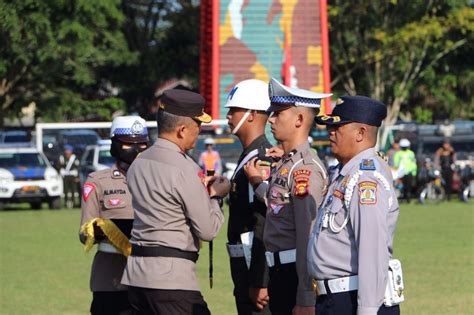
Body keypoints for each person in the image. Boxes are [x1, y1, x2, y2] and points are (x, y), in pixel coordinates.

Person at [121, 89, 231, 314]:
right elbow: (207, 230)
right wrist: (216, 197)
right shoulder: (185, 168)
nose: (199, 132)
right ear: (182, 130)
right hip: (172, 280)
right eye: (197, 126)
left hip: (136, 276)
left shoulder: (138, 163)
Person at [307, 95, 401, 315]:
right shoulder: (344, 174)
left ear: (360, 133)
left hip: (352, 299)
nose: (330, 132)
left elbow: (372, 251)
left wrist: (367, 310)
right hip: (333, 298)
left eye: (338, 126)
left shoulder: (365, 181)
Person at [245, 78, 330, 315]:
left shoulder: (305, 168)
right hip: (280, 272)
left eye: (278, 114)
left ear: (299, 120)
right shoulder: (287, 163)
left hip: (294, 274)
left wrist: (305, 296)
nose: (270, 119)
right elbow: (279, 206)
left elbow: (307, 234)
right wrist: (256, 181)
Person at [79, 115, 150, 314]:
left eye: (142, 144)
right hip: (111, 278)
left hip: (151, 276)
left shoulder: (158, 179)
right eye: (129, 144)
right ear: (115, 145)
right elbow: (85, 232)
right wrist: (108, 229)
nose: (137, 149)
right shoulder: (98, 181)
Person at [224, 79, 272, 314]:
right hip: (243, 264)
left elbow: (263, 222)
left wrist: (259, 281)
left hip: (254, 268)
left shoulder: (261, 160)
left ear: (252, 114)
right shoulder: (248, 156)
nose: (229, 116)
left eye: (234, 110)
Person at [393, 138, 417, 202]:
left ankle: (406, 197)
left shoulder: (398, 153)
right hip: (407, 172)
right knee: (407, 186)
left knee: (404, 186)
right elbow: (414, 163)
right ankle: (407, 197)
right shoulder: (411, 153)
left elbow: (396, 164)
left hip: (403, 172)